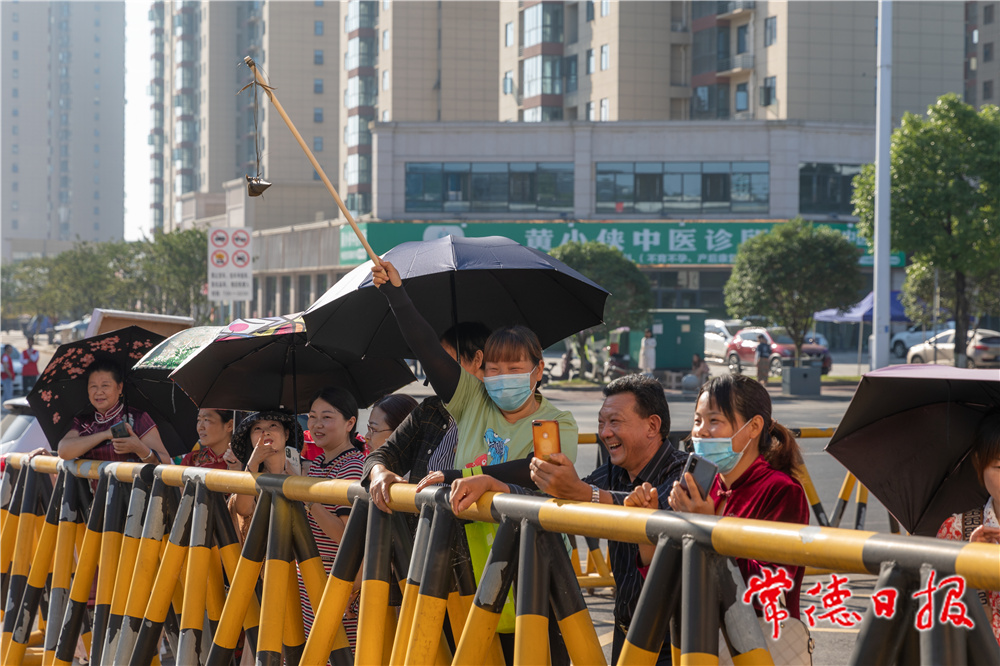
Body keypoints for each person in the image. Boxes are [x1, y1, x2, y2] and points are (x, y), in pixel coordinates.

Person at [456, 374, 685, 665]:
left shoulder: (680, 472)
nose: (605, 433)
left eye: (615, 422)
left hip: (678, 640)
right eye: (601, 423)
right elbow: (555, 504)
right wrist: (498, 486)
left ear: (652, 426)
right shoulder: (612, 473)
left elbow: (658, 518)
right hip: (627, 631)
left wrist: (582, 492)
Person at [665, 374, 809, 620]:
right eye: (697, 420)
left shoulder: (782, 490)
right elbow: (670, 579)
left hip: (758, 646)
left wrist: (710, 529)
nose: (701, 432)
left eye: (714, 421)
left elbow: (769, 589)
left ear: (753, 427)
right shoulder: (704, 486)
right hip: (701, 637)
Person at [365, 321, 491, 510]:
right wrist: (378, 472)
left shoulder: (500, 412)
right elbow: (384, 454)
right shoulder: (429, 411)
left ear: (477, 359)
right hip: (424, 529)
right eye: (433, 362)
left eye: (444, 361)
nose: (436, 370)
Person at [295, 387, 367, 650]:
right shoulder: (319, 463)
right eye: (312, 417)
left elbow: (345, 535)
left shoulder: (352, 466)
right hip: (313, 577)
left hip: (336, 579)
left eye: (327, 417)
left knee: (334, 652)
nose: (316, 424)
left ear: (350, 423)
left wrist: (310, 500)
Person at [936, 409, 1000, 645]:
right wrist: (968, 566)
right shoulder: (956, 530)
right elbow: (937, 612)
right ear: (978, 464)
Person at [57, 359, 170, 464]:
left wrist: (139, 448)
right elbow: (63, 451)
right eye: (93, 386)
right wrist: (105, 435)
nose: (99, 392)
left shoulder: (138, 418)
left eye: (105, 385)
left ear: (119, 388)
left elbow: (166, 462)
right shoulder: (83, 422)